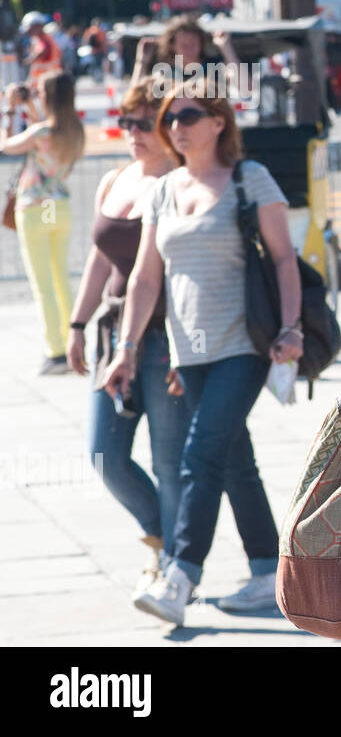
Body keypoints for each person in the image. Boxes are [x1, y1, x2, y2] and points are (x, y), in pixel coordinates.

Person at [103, 75, 302, 625]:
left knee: (200, 453)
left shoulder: (249, 179)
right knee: (235, 460)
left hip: (244, 344)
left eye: (188, 116)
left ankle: (179, 575)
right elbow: (146, 279)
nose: (175, 127)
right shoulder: (163, 191)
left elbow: (286, 260)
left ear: (219, 122)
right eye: (170, 118)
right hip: (186, 351)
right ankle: (270, 571)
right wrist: (125, 349)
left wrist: (292, 328)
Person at [66, 80, 188, 598]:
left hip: (164, 337)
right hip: (111, 332)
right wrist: (76, 324)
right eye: (127, 121)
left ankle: (176, 568)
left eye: (143, 123)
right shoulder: (116, 178)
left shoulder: (183, 185)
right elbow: (100, 259)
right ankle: (168, 542)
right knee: (103, 455)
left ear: (167, 129)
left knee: (167, 459)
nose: (132, 132)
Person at [0, 71, 85, 374]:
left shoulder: (40, 132)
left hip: (35, 208)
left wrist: (10, 110)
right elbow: (46, 133)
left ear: (47, 96)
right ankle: (72, 341)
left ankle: (55, 350)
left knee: (42, 283)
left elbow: (6, 145)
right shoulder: (74, 131)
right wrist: (31, 107)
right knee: (60, 278)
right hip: (57, 206)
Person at [21, 12, 63, 83]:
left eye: (30, 29)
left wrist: (28, 60)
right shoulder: (41, 39)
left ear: (38, 26)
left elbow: (43, 51)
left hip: (47, 80)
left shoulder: (44, 39)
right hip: (47, 80)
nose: (29, 32)